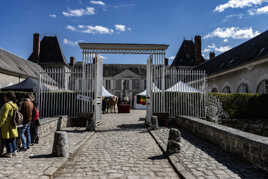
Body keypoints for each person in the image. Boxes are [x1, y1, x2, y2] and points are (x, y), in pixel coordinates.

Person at [0, 92, 19, 158]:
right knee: (13, 139)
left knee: (7, 139)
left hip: (6, 126)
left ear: (7, 97)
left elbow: (3, 117)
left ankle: (9, 152)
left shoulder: (6, 105)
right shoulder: (15, 105)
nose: (4, 97)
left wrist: (0, 124)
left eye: (5, 96)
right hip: (13, 125)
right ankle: (14, 151)